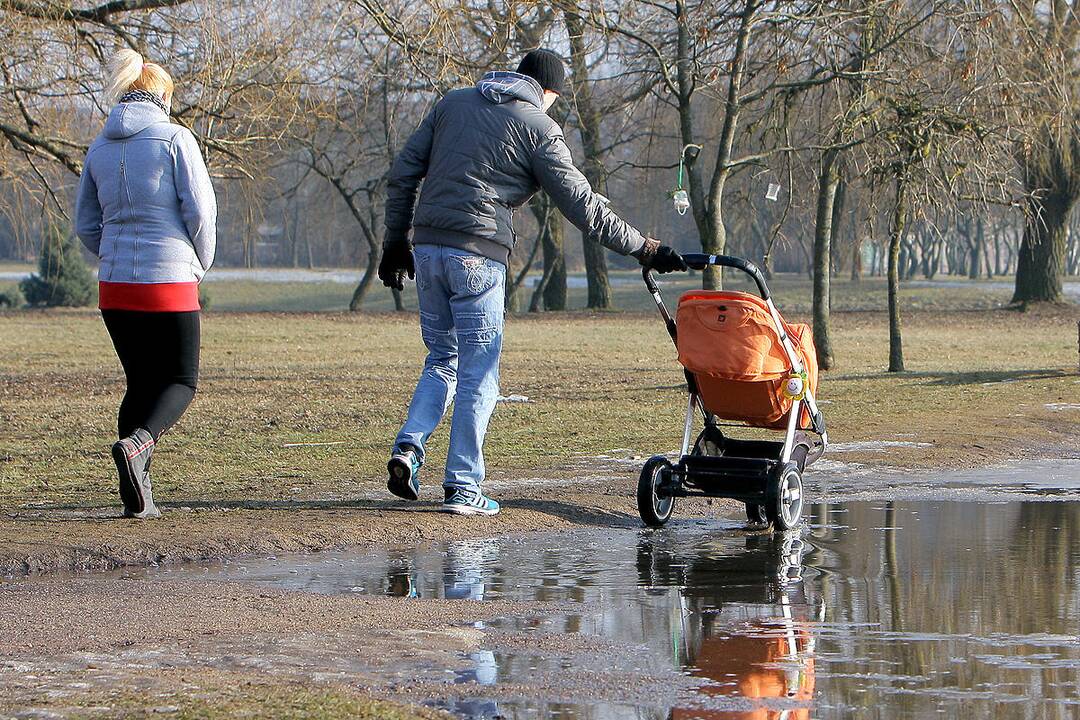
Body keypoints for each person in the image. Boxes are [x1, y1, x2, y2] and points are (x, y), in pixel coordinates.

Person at [378, 48, 686, 517]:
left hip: (427, 247)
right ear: (549, 93)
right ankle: (462, 487)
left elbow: (403, 173)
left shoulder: (453, 103)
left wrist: (394, 241)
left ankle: (409, 448)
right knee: (479, 370)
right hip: (478, 255)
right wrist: (643, 247)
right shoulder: (539, 127)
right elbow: (583, 206)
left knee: (442, 357)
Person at [75, 49, 217, 519]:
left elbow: (85, 224)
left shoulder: (98, 146)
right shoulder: (176, 139)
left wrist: (113, 255)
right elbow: (201, 212)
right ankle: (138, 447)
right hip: (170, 279)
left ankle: (138, 497)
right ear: (161, 97)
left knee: (139, 383)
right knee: (180, 381)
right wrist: (199, 263)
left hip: (115, 287)